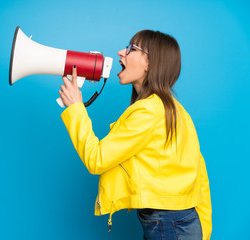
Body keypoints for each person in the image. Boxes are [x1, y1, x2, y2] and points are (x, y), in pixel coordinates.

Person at [58, 30, 212, 240]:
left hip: (168, 227)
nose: (121, 52)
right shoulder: (176, 110)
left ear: (150, 62)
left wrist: (76, 108)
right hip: (182, 224)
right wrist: (203, 230)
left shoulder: (148, 112)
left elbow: (96, 159)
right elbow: (199, 174)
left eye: (131, 49)